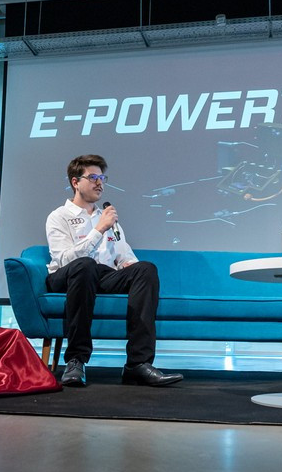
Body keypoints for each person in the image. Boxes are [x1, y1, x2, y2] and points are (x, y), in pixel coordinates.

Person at [44, 154, 184, 388]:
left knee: (145, 269)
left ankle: (137, 364)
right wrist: (98, 230)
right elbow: (65, 259)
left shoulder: (107, 217)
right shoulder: (59, 217)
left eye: (102, 178)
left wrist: (128, 264)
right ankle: (76, 360)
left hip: (102, 275)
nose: (99, 183)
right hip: (69, 275)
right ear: (75, 182)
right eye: (93, 178)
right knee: (85, 265)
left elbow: (123, 253)